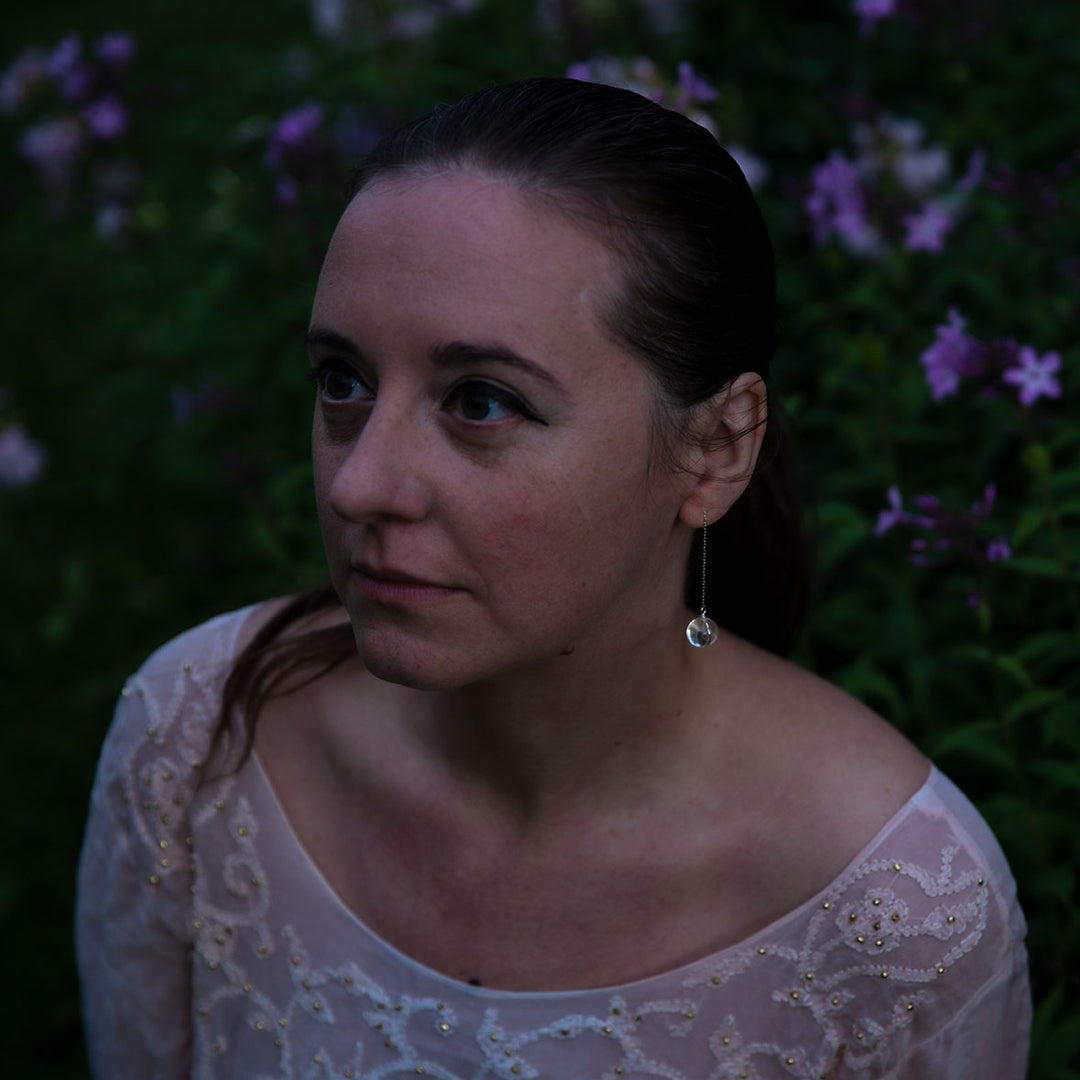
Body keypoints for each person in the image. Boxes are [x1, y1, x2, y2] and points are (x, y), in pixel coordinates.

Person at [76, 77, 1031, 1079]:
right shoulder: (198, 741)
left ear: (714, 449)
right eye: (342, 382)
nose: (360, 484)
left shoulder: (900, 913)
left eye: (481, 402)